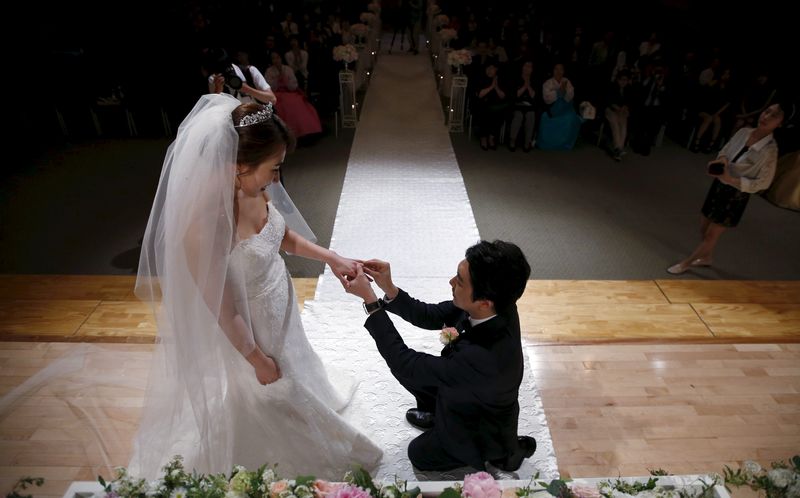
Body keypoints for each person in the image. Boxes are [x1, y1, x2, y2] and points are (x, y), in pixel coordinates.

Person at [130, 94, 381, 478]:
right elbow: (223, 309)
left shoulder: (252, 190)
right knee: (269, 396)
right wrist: (256, 359)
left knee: (298, 371)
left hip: (280, 304)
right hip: (251, 331)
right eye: (274, 168)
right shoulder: (204, 226)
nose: (276, 179)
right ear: (239, 166)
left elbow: (279, 236)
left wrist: (331, 257)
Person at [342, 240, 537, 473]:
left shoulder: (482, 358)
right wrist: (389, 288)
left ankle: (503, 452)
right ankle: (440, 414)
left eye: (460, 281)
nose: (451, 282)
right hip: (469, 387)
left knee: (418, 454)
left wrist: (371, 303)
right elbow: (431, 315)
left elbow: (405, 363)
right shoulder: (495, 303)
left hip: (478, 421)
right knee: (419, 377)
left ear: (484, 303)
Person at [667, 103, 785, 274]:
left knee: (711, 235)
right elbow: (725, 149)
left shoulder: (770, 151)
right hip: (720, 184)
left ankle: (686, 263)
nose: (766, 117)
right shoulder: (744, 132)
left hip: (736, 194)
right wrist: (721, 160)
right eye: (767, 111)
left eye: (773, 116)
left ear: (779, 123)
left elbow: (763, 183)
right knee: (704, 227)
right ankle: (707, 257)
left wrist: (733, 179)